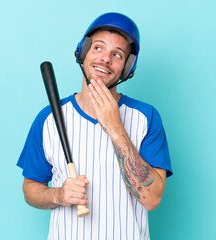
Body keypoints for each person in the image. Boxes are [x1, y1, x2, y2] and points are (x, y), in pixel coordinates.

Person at [17, 12, 173, 239]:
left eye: (117, 54)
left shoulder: (146, 117)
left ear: (127, 68)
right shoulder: (49, 118)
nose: (105, 59)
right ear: (83, 51)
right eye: (98, 48)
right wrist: (59, 195)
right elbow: (30, 189)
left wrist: (116, 129)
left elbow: (151, 198)